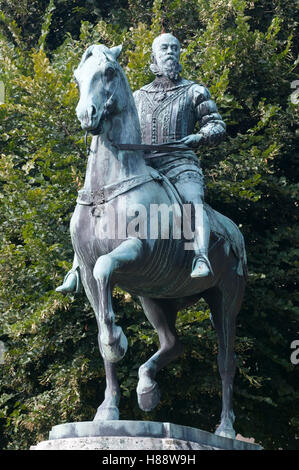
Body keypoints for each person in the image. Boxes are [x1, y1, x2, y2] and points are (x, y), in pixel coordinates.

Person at [56, 32, 226, 293]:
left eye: (174, 47)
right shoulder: (137, 95)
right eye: (163, 48)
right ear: (154, 57)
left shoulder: (194, 91)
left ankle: (200, 256)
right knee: (95, 202)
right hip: (141, 166)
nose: (169, 52)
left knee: (193, 200)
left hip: (180, 163)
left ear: (180, 54)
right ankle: (79, 265)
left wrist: (200, 136)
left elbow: (216, 125)